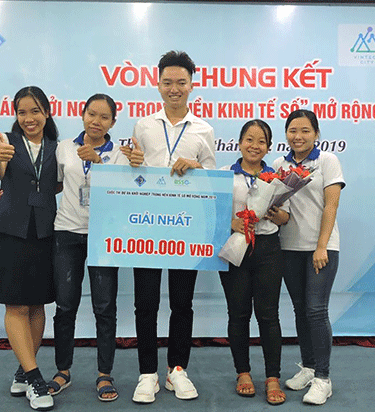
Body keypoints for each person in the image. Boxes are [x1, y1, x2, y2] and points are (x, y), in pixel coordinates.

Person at [129, 50, 216, 403]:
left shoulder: (204, 129)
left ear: (192, 85)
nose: (174, 88)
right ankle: (147, 373)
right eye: (168, 82)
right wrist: (132, 162)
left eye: (181, 82)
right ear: (158, 84)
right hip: (148, 225)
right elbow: (134, 175)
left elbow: (213, 180)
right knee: (145, 303)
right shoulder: (143, 125)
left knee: (182, 302)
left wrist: (196, 166)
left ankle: (177, 369)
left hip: (186, 226)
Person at [46, 93, 143, 402]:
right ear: (82, 114)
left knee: (104, 307)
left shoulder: (121, 156)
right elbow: (54, 185)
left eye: (104, 117)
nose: (96, 121)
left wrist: (99, 163)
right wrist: (10, 190)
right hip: (66, 233)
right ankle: (63, 370)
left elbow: (124, 194)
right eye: (92, 114)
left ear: (113, 122)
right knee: (65, 306)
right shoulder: (64, 148)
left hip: (103, 235)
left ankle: (104, 374)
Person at [0, 85, 59, 411]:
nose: (28, 118)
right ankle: (34, 377)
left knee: (37, 305)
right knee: (16, 306)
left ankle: (22, 369)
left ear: (46, 112)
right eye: (22, 112)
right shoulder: (5, 141)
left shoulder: (58, 148)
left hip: (45, 232)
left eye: (35, 111)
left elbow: (58, 183)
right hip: (9, 231)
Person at [272, 110, 345, 405]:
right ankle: (309, 367)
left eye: (305, 130)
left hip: (321, 248)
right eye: (292, 130)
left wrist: (321, 246)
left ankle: (323, 379)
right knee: (301, 310)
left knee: (316, 310)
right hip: (289, 247)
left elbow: (331, 206)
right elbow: (279, 208)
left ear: (316, 133)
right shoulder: (279, 165)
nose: (298, 136)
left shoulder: (327, 161)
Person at [219, 119, 289, 405]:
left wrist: (277, 215)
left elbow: (286, 217)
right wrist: (231, 223)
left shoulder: (277, 178)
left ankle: (272, 377)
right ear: (239, 143)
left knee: (268, 315)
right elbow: (212, 211)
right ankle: (243, 372)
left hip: (268, 249)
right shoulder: (224, 175)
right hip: (236, 248)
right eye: (249, 139)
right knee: (238, 314)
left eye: (261, 141)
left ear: (269, 147)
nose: (255, 146)